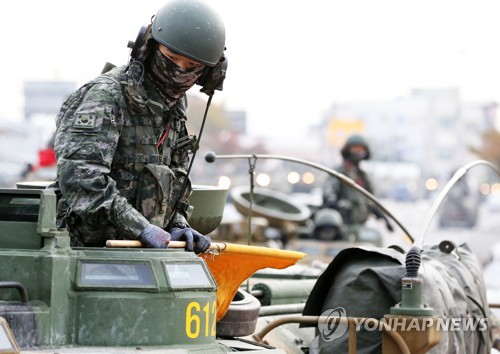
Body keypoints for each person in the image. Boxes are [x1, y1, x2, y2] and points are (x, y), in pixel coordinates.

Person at [50, 0, 227, 253]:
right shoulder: (107, 97)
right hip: (82, 252)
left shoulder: (175, 109)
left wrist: (177, 223)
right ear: (148, 48)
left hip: (141, 255)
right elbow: (81, 177)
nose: (178, 71)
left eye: (192, 67)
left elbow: (173, 176)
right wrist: (140, 228)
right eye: (171, 57)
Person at [322, 134, 394, 231]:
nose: (358, 153)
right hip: (342, 226)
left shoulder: (363, 176)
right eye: (355, 149)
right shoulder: (340, 172)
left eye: (361, 150)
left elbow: (370, 200)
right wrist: (333, 201)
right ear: (348, 151)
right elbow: (329, 189)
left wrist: (383, 218)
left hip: (359, 226)